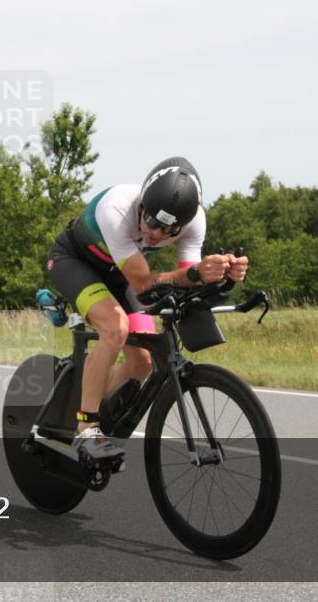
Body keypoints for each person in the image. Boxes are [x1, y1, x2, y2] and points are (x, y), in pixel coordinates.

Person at [45, 157, 248, 459]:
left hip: (122, 272)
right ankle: (86, 429)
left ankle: (84, 398)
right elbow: (143, 284)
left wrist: (222, 274)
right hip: (76, 262)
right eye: (151, 221)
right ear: (142, 204)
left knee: (142, 363)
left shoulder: (195, 223)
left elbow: (187, 280)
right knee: (115, 329)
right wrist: (195, 274)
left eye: (169, 230)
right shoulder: (117, 207)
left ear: (185, 224)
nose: (156, 234)